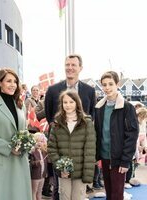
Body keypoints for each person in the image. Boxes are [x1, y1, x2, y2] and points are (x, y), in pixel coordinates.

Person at [45, 54, 96, 199]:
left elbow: (91, 117)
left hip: (80, 157)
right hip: (61, 153)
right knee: (59, 191)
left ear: (80, 68)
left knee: (78, 194)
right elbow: (50, 117)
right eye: (67, 64)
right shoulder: (53, 90)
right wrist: (59, 161)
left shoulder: (89, 91)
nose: (70, 68)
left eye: (73, 65)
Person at [0, 68, 32, 200]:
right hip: (1, 162)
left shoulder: (21, 105)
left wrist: (27, 144)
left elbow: (24, 131)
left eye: (15, 81)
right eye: (9, 81)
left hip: (20, 161)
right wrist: (9, 148)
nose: (13, 84)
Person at [95, 71, 139, 200]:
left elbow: (132, 136)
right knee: (108, 192)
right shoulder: (99, 108)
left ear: (117, 84)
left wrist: (126, 161)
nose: (107, 87)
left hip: (119, 159)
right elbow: (97, 133)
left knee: (117, 194)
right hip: (104, 157)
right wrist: (97, 156)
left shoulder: (127, 108)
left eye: (110, 84)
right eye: (104, 85)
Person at [29, 132, 48, 200]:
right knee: (34, 191)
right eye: (39, 141)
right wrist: (38, 163)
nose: (41, 143)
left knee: (40, 191)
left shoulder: (43, 151)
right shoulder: (32, 151)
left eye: (42, 141)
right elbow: (30, 163)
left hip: (42, 175)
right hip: (35, 175)